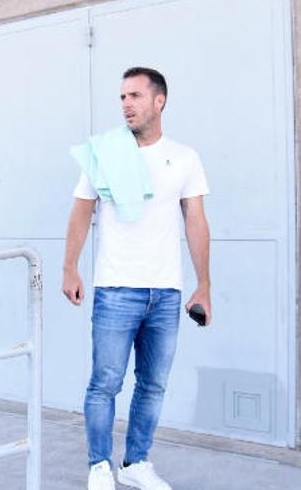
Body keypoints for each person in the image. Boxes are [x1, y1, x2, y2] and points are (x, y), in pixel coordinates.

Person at [61, 67, 211, 490]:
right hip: (116, 288)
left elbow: (196, 220)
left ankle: (136, 463)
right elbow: (81, 210)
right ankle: (99, 466)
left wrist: (204, 284)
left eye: (135, 96)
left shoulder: (184, 158)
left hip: (166, 290)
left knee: (153, 385)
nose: (126, 104)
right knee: (105, 382)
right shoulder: (105, 153)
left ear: (159, 101)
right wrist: (70, 266)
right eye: (122, 96)